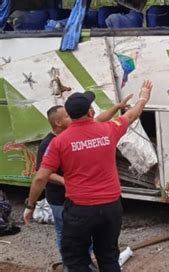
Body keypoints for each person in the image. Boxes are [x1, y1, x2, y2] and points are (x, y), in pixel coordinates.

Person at [24, 80, 153, 272]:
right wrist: (143, 97)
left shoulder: (59, 142)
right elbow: (132, 115)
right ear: (90, 112)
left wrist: (30, 205)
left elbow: (41, 177)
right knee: (109, 257)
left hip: (80, 210)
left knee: (76, 260)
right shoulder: (109, 129)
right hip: (111, 207)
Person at [35, 95, 132, 260]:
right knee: (66, 235)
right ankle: (71, 264)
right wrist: (66, 181)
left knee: (86, 236)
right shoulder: (49, 144)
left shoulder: (75, 133)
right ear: (58, 123)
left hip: (78, 198)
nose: (71, 118)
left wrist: (117, 107)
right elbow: (43, 174)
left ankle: (87, 262)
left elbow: (100, 119)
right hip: (59, 198)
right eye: (67, 116)